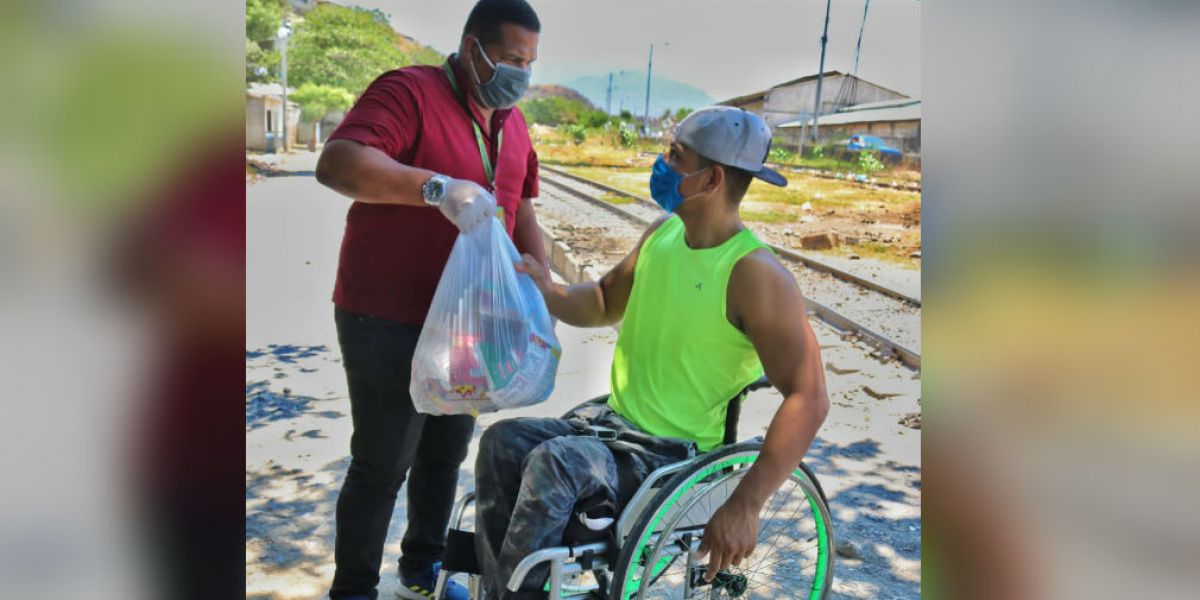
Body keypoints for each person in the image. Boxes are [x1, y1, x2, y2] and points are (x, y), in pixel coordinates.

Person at [474, 106, 830, 599]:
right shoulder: (662, 235)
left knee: (555, 464)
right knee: (502, 442)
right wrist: (547, 289)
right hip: (611, 430)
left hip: (670, 456)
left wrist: (746, 503)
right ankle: (502, 591)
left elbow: (808, 397)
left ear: (712, 179)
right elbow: (601, 300)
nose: (661, 164)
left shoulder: (754, 274)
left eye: (675, 156)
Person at [313, 2, 546, 598]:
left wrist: (538, 267)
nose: (521, 74)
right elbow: (339, 163)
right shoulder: (408, 92)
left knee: (445, 452)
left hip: (471, 323)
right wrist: (436, 188)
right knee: (384, 460)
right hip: (387, 315)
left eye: (530, 63)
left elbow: (521, 209)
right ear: (474, 50)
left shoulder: (513, 123)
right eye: (513, 60)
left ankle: (423, 570)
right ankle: (355, 589)